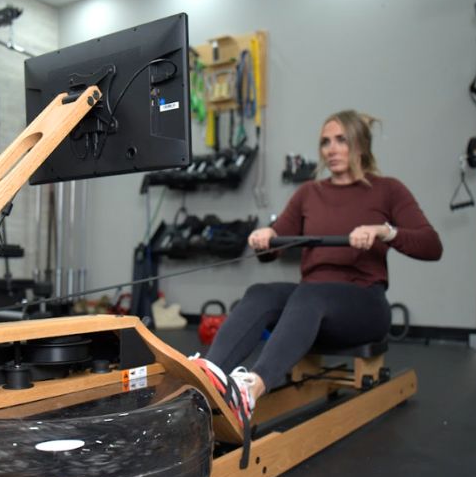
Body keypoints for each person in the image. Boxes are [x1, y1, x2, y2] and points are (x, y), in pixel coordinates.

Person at [190, 110, 443, 426]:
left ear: (361, 145)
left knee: (311, 295)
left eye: (341, 140)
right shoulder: (309, 192)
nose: (331, 149)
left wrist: (384, 231)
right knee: (261, 292)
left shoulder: (388, 189)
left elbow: (432, 246)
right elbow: (274, 249)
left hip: (364, 306)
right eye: (325, 142)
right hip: (311, 307)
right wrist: (265, 239)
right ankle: (205, 379)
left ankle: (250, 390)